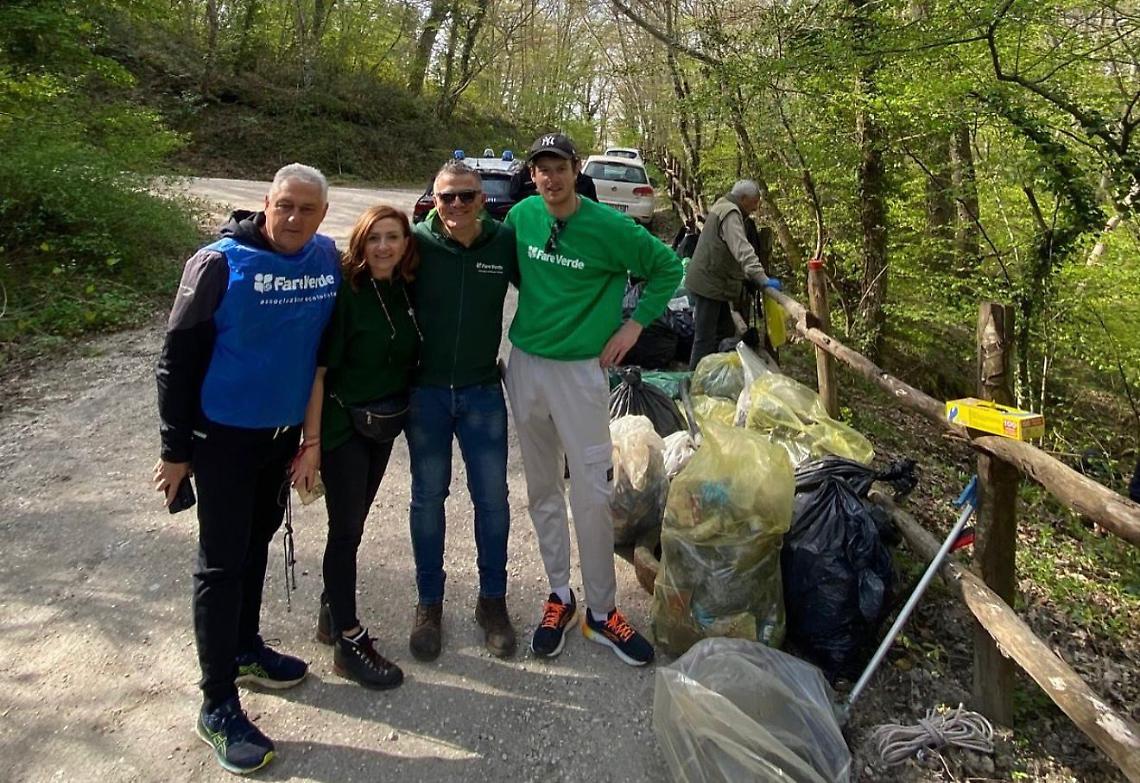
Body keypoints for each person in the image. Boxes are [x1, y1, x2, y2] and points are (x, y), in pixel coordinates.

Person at [153, 163, 339, 774]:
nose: (294, 218)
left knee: (256, 544)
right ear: (266, 202)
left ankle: (244, 649)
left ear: (322, 215)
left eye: (307, 209)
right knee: (221, 563)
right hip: (222, 437)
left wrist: (309, 440)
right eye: (284, 205)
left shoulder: (325, 259)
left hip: (279, 437)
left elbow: (319, 354)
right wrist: (175, 450)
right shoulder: (218, 261)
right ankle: (216, 704)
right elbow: (176, 359)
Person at [503, 133, 682, 667]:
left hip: (581, 374)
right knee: (541, 490)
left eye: (558, 168)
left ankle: (602, 613)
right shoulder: (523, 218)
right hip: (526, 365)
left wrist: (632, 327)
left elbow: (668, 269)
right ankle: (560, 594)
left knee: (592, 491)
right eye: (541, 169)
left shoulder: (609, 227)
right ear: (532, 174)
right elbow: (512, 270)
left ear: (575, 170)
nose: (550, 178)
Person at [291, 205, 421, 690]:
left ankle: (330, 611)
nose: (384, 247)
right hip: (344, 426)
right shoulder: (346, 294)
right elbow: (319, 373)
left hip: (381, 426)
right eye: (375, 239)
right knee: (344, 531)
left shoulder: (404, 289)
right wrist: (313, 444)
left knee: (356, 523)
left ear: (407, 243)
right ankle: (348, 639)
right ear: (360, 243)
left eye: (394, 237)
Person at [405, 160, 520, 661]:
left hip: (481, 392)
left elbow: (549, 289)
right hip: (425, 393)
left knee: (492, 500)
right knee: (428, 499)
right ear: (433, 199)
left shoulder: (504, 242)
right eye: (446, 197)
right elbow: (370, 286)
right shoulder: (414, 242)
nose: (456, 206)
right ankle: (429, 604)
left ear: (482, 200)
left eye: (466, 196)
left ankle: (491, 601)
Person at [684, 180, 782, 370]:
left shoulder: (722, 204)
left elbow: (728, 250)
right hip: (709, 283)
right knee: (704, 338)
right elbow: (742, 249)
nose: (756, 207)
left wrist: (747, 276)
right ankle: (694, 380)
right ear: (743, 199)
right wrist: (762, 278)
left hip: (714, 283)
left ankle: (716, 374)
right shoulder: (730, 213)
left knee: (725, 331)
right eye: (754, 202)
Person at [509, 157, 598, 203]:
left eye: (561, 169)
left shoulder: (604, 222)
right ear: (533, 174)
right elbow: (513, 193)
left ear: (575, 169)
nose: (553, 179)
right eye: (544, 170)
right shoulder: (519, 215)